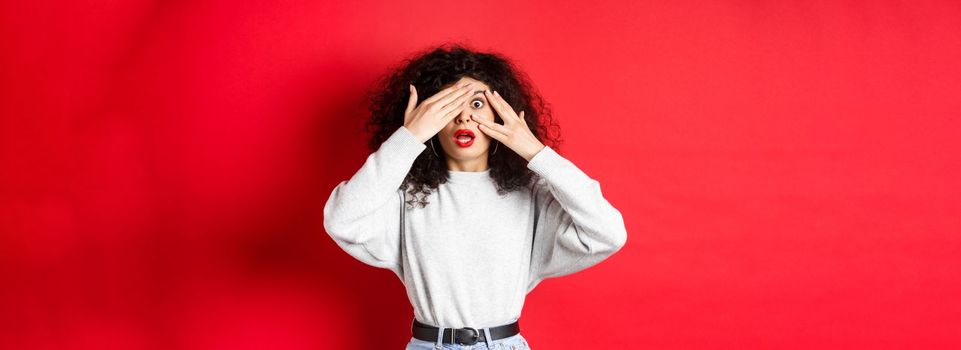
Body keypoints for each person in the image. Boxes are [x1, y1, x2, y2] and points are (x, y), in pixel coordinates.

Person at [323, 43, 628, 349]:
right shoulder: (405, 196)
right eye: (449, 105)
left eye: (478, 104)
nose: (464, 117)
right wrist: (408, 137)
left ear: (502, 114)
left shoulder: (532, 195)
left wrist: (535, 152)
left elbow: (608, 233)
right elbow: (342, 219)